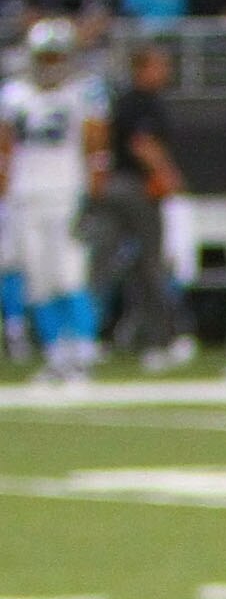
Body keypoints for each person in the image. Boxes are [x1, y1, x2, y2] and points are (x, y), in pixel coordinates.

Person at [1, 20, 109, 383]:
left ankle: (83, 350)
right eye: (44, 56)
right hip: (25, 197)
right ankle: (56, 355)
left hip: (66, 195)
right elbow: (5, 147)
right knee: (38, 281)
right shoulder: (15, 93)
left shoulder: (85, 91)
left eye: (56, 56)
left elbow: (97, 145)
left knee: (70, 276)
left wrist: (93, 193)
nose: (49, 64)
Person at [100, 43, 188, 369]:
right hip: (136, 188)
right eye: (158, 66)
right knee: (150, 265)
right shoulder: (141, 103)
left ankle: (99, 336)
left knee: (118, 265)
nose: (164, 72)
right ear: (143, 69)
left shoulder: (125, 101)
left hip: (119, 186)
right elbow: (143, 144)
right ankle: (157, 339)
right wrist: (167, 174)